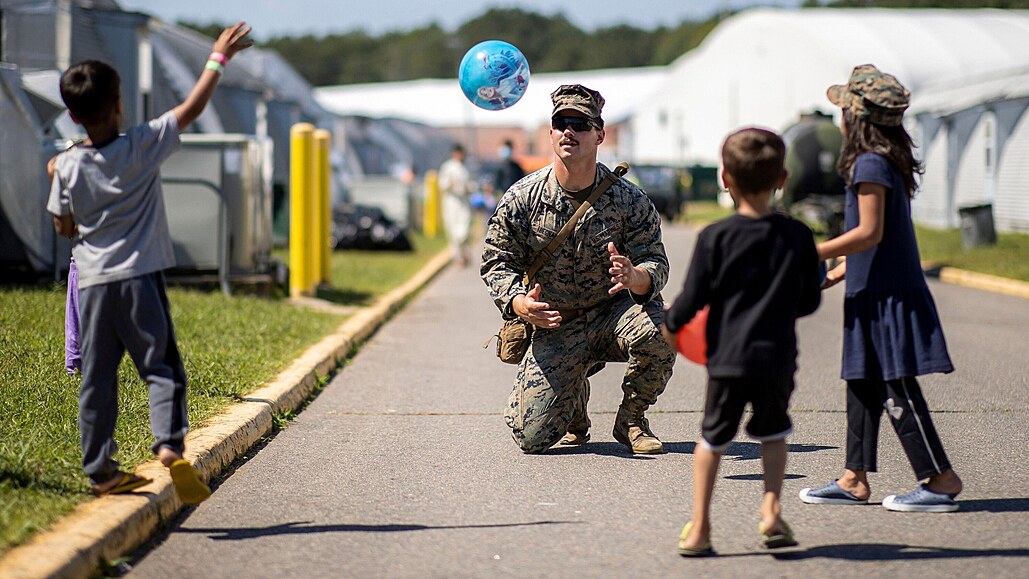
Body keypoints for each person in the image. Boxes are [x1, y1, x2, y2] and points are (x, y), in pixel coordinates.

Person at [46, 22, 253, 502]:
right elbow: (192, 108)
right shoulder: (142, 143)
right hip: (141, 280)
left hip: (93, 285)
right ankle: (168, 444)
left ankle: (100, 471)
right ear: (119, 105)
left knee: (97, 378)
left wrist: (75, 224)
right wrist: (217, 58)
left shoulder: (68, 164)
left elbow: (61, 222)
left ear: (74, 117)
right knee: (161, 368)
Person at [798, 64, 963, 512]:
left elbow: (869, 231)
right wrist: (839, 272)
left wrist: (810, 251)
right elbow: (877, 238)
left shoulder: (869, 162)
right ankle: (853, 479)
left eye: (843, 109)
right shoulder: (882, 158)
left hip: (887, 296)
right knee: (861, 382)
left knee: (896, 387)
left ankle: (940, 480)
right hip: (870, 290)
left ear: (856, 117)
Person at [481, 84, 676, 455]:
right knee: (531, 437)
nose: (570, 131)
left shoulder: (628, 199)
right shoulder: (523, 198)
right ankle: (575, 400)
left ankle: (632, 419)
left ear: (600, 134)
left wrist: (638, 277)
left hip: (612, 315)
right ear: (551, 132)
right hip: (557, 322)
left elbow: (656, 259)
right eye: (561, 122)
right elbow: (496, 260)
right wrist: (518, 302)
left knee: (664, 328)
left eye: (581, 124)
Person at [663, 128, 822, 556]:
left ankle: (700, 528)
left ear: (724, 179)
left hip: (729, 360)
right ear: (783, 178)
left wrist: (670, 325)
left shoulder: (715, 237)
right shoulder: (798, 236)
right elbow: (807, 301)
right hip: (776, 359)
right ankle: (771, 511)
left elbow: (693, 299)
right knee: (774, 433)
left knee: (713, 439)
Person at [438, 144, 475, 267]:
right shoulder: (448, 167)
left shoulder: (466, 168)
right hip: (451, 204)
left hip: (464, 204)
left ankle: (465, 252)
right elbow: (442, 184)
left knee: (464, 230)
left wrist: (468, 188)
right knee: (453, 232)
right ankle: (459, 257)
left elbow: (472, 185)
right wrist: (450, 184)